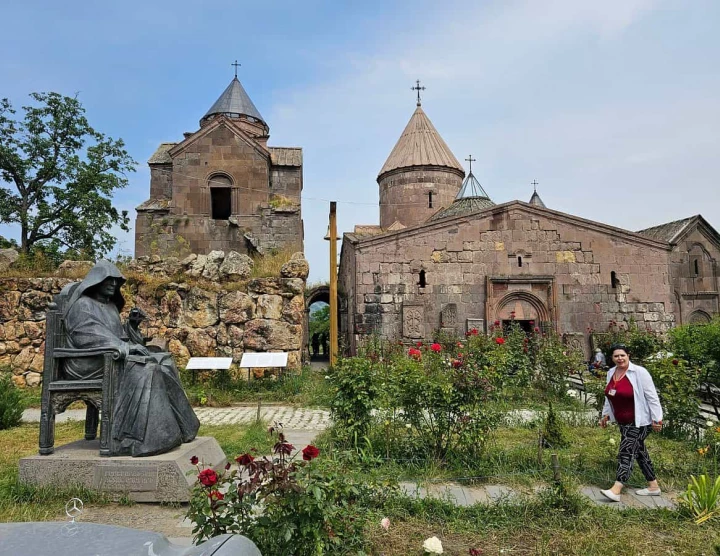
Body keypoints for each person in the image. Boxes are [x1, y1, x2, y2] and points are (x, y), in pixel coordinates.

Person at [64, 260, 200, 457]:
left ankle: (184, 427)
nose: (113, 284)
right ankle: (134, 438)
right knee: (147, 369)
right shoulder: (82, 305)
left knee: (164, 361)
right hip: (88, 362)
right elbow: (89, 336)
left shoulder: (110, 307)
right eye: (108, 280)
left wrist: (132, 328)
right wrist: (124, 347)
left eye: (116, 281)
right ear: (96, 281)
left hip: (112, 355)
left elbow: (120, 337)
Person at [598, 344, 663, 501]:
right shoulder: (611, 373)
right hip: (623, 421)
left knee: (626, 451)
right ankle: (653, 486)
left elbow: (652, 397)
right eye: (616, 356)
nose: (619, 358)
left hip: (640, 421)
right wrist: (605, 414)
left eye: (622, 355)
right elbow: (609, 396)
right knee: (639, 451)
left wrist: (657, 418)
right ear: (612, 358)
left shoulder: (639, 373)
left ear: (628, 355)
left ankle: (617, 488)